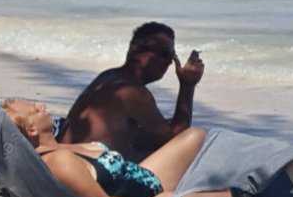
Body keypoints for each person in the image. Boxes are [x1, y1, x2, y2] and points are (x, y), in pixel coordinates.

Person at [0, 98, 229, 197]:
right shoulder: (59, 161)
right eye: (35, 109)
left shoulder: (57, 149)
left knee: (196, 135)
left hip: (143, 178)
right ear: (31, 129)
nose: (42, 105)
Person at [61, 22, 204, 161]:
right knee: (197, 140)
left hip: (73, 163)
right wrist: (187, 85)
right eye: (165, 54)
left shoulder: (110, 76)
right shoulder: (132, 91)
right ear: (135, 50)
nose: (169, 62)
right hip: (88, 173)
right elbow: (177, 140)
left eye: (172, 56)